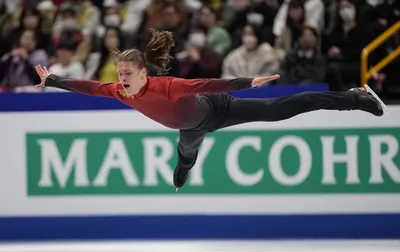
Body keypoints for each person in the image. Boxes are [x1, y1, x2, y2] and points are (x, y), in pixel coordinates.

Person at [34, 28, 387, 190]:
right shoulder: (120, 92)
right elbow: (90, 87)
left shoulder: (167, 85)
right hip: (191, 127)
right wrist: (53, 80)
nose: (121, 79)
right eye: (121, 74)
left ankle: (356, 97)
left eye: (128, 74)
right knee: (186, 153)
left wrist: (246, 83)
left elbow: (209, 84)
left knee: (282, 108)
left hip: (220, 107)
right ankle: (184, 167)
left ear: (144, 72)